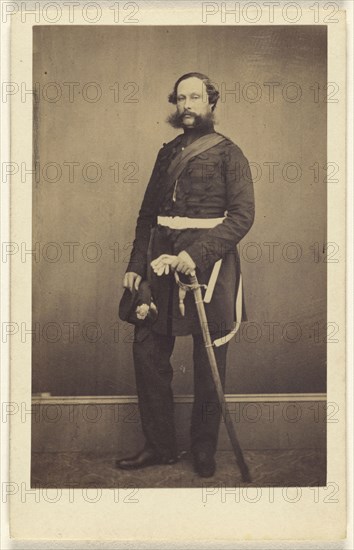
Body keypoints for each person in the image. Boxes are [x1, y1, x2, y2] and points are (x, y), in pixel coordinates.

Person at [116, 72, 255, 477]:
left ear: (212, 101)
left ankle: (203, 449)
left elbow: (243, 217)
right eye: (181, 99)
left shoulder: (232, 155)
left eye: (195, 97)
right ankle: (159, 446)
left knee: (208, 361)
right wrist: (135, 265)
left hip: (209, 267)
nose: (187, 105)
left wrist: (195, 255)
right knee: (147, 351)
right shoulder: (166, 154)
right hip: (158, 263)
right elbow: (146, 216)